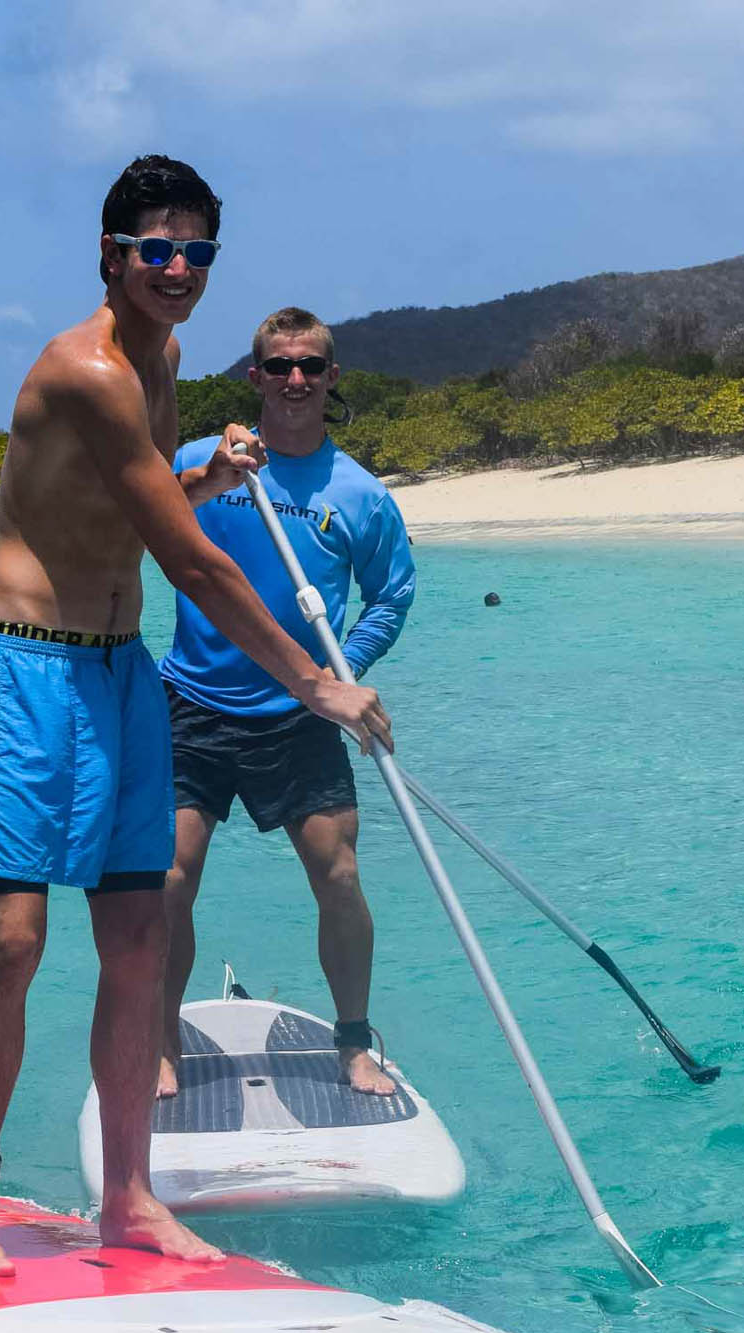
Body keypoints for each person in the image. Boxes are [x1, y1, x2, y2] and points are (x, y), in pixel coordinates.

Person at [0, 156, 387, 1279]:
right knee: (12, 941)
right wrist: (313, 684)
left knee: (139, 945)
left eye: (196, 251)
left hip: (119, 677)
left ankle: (129, 1198)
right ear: (111, 255)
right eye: (156, 249)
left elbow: (136, 512)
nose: (177, 268)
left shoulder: (165, 355)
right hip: (24, 673)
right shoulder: (85, 369)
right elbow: (187, 564)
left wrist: (201, 480)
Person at [158, 306, 417, 1100]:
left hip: (299, 719)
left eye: (310, 365)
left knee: (339, 875)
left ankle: (352, 1039)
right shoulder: (204, 464)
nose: (295, 379)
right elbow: (139, 531)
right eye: (279, 366)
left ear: (333, 376)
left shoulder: (361, 494)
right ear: (255, 375)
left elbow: (391, 596)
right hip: (191, 706)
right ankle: (161, 1034)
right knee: (166, 877)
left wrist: (339, 682)